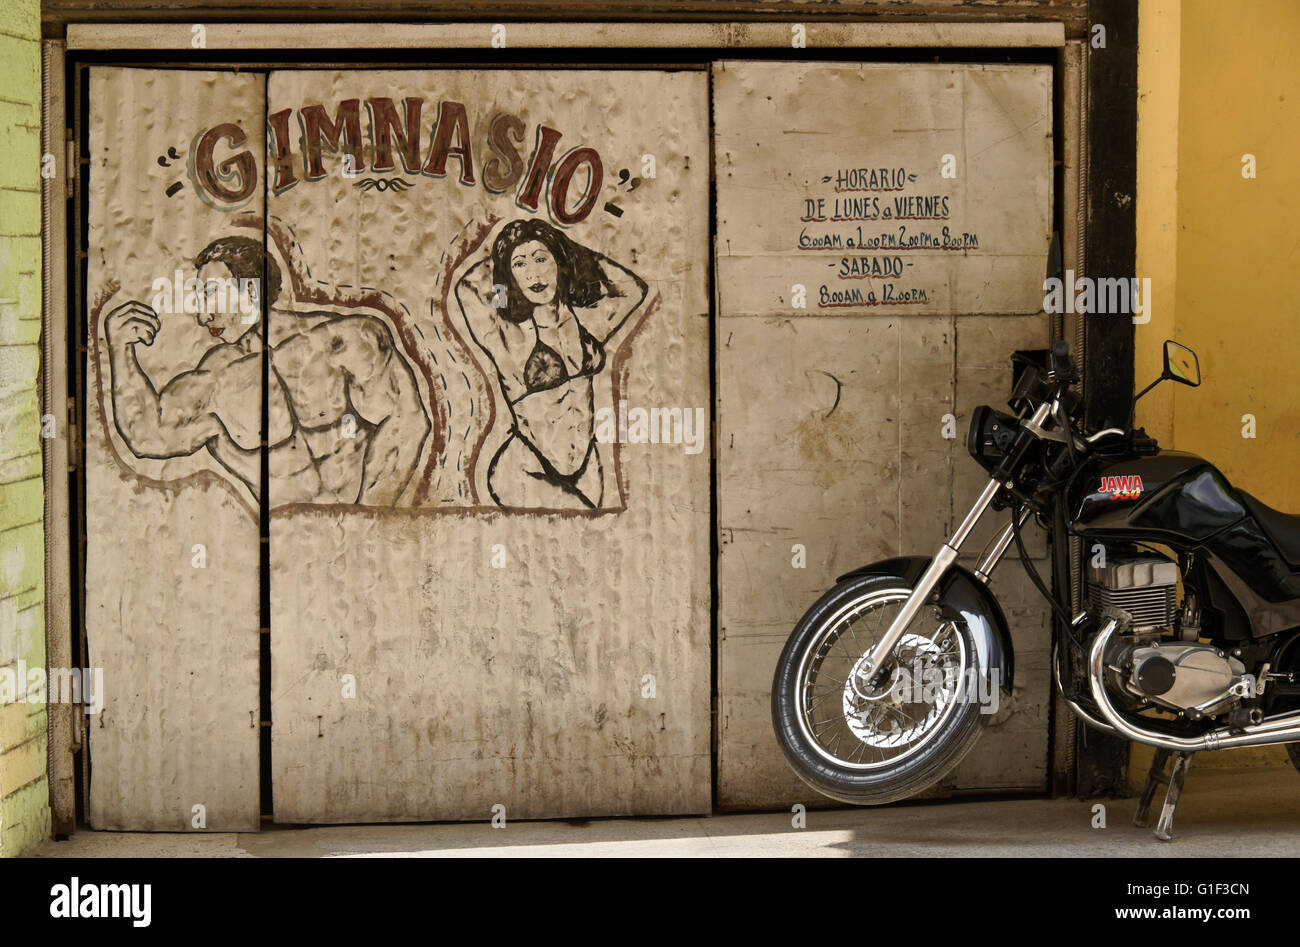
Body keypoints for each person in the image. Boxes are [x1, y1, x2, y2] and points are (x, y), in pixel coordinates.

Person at [103, 235, 430, 506]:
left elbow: (408, 421)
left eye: (212, 295)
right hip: (289, 554)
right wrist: (120, 348)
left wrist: (367, 519)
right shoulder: (217, 378)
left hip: (364, 541)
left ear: (250, 291)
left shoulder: (345, 340)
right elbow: (150, 437)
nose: (203, 317)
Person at [454, 219, 647, 509]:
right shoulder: (508, 335)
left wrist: (571, 250)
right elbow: (468, 288)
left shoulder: (586, 324)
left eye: (541, 259)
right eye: (520, 265)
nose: (533, 274)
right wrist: (504, 262)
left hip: (587, 466)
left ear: (559, 262)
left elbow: (632, 289)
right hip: (527, 466)